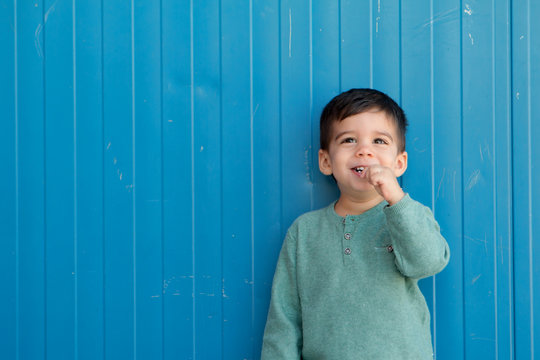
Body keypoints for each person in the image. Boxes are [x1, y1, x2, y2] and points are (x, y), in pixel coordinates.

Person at [261, 88, 450, 359]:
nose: (364, 151)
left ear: (399, 163)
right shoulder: (304, 232)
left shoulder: (408, 215)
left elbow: (429, 261)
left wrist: (395, 197)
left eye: (379, 142)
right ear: (326, 161)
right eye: (349, 140)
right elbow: (284, 320)